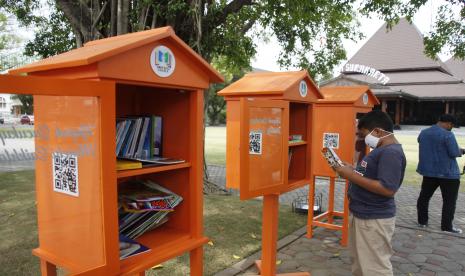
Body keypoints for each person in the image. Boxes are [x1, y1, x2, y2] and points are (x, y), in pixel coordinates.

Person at [334, 110, 406, 276]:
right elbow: (369, 176)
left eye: (363, 134)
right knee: (359, 263)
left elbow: (387, 189)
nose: (362, 139)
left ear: (378, 131)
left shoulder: (391, 153)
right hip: (362, 213)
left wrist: (350, 175)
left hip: (373, 218)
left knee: (374, 268)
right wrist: (351, 169)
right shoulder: (381, 150)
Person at [416, 114, 464, 234]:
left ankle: (422, 222)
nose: (451, 128)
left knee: (424, 197)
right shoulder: (448, 134)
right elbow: (453, 152)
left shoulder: (424, 132)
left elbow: (425, 144)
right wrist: (461, 151)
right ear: (448, 123)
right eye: (452, 125)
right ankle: (447, 226)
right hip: (448, 173)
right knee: (449, 201)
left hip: (429, 172)